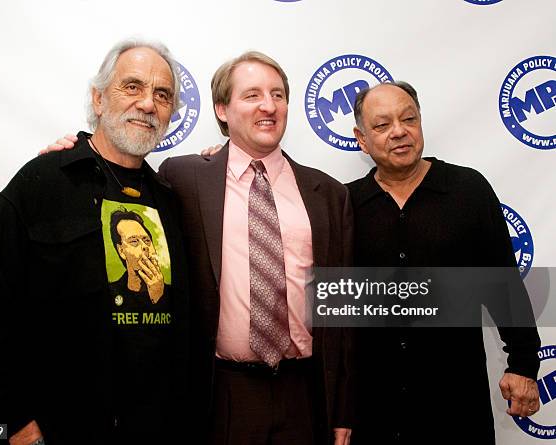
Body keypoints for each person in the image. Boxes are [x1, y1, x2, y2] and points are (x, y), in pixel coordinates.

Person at [47, 51, 355, 445]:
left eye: (278, 95)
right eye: (252, 95)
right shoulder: (184, 177)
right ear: (222, 109)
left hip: (305, 393)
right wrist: (74, 151)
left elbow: (344, 318)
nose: (268, 105)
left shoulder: (327, 193)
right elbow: (114, 176)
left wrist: (343, 409)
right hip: (220, 395)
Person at [0, 38, 190, 445]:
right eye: (132, 87)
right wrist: (19, 425)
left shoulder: (170, 199)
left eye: (161, 94)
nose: (148, 103)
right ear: (97, 99)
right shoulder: (39, 185)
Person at [346, 81, 541, 444]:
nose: (399, 131)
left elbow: (504, 286)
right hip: (374, 409)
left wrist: (524, 365)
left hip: (456, 405)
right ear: (361, 139)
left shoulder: (468, 190)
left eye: (409, 119)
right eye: (382, 125)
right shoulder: (345, 203)